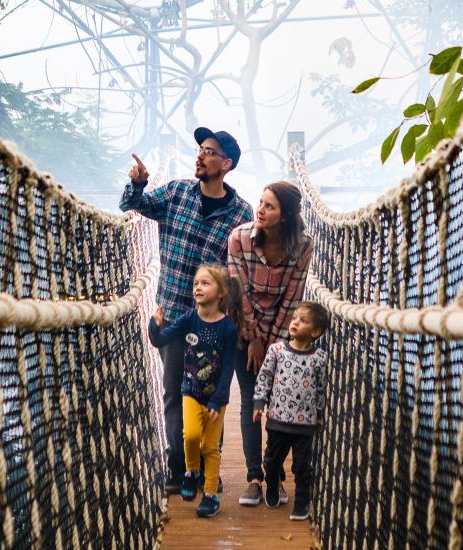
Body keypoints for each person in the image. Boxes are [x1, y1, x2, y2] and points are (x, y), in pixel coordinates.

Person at [121, 127, 254, 495]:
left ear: (225, 164)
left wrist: (244, 325)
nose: (200, 155)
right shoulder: (177, 191)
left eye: (209, 151)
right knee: (175, 393)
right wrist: (138, 184)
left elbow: (242, 270)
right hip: (175, 315)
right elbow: (133, 206)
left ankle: (208, 468)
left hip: (213, 322)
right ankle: (180, 471)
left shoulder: (242, 213)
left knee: (211, 396)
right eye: (199, 149)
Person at [225, 181, 313, 505]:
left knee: (279, 403)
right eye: (260, 202)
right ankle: (254, 477)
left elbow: (292, 299)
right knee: (251, 402)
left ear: (286, 216)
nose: (259, 210)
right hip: (240, 329)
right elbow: (238, 293)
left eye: (269, 206)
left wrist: (274, 346)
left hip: (280, 334)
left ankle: (275, 470)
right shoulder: (238, 238)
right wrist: (252, 339)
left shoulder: (303, 246)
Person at [147, 265, 245, 518]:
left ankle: (210, 495)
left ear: (221, 292)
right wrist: (154, 325)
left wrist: (219, 399)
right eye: (196, 284)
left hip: (214, 399)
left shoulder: (228, 328)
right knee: (190, 436)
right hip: (190, 391)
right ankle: (191, 472)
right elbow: (161, 339)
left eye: (205, 284)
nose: (198, 288)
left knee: (210, 447)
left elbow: (228, 369)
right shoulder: (189, 317)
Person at [251, 301, 331, 521]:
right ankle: (273, 484)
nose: (295, 322)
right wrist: (259, 404)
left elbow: (321, 389)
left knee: (302, 466)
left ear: (315, 332)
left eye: (303, 320)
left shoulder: (319, 358)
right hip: (278, 419)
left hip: (305, 424)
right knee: (271, 460)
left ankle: (302, 501)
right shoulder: (277, 351)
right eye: (295, 317)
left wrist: (320, 413)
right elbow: (265, 378)